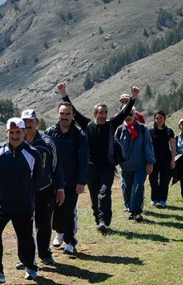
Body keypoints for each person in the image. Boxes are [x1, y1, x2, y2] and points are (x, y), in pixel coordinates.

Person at [58, 83, 138, 233]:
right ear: (95, 114)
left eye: (105, 112)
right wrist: (63, 93)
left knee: (104, 192)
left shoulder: (111, 125)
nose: (103, 115)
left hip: (107, 166)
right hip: (90, 167)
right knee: (94, 197)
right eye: (100, 112)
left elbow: (123, 114)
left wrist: (133, 98)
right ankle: (98, 220)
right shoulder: (87, 125)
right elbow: (73, 111)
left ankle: (104, 221)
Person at [0, 118, 42, 283]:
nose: (14, 136)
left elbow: (37, 180)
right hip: (0, 203)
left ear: (24, 133)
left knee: (25, 236)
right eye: (11, 132)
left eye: (18, 132)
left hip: (23, 204)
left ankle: (30, 266)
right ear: (6, 133)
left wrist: (27, 196)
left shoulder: (33, 154)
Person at [45, 99, 88, 255]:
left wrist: (81, 181)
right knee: (54, 211)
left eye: (67, 114)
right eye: (62, 114)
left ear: (73, 115)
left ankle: (70, 242)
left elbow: (83, 160)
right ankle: (59, 233)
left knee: (68, 211)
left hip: (71, 181)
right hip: (52, 181)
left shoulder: (79, 135)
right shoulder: (50, 132)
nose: (64, 117)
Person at [21, 109, 61, 269]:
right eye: (25, 121)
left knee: (44, 224)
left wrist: (60, 188)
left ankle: (45, 254)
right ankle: (25, 257)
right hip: (23, 191)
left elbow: (56, 166)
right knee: (23, 224)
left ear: (37, 123)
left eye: (31, 121)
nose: (28, 124)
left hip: (45, 189)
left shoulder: (47, 142)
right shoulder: (16, 141)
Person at [114, 106, 155, 221]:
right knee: (127, 188)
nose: (128, 117)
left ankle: (137, 212)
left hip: (140, 166)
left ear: (135, 115)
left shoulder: (143, 129)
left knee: (138, 187)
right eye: (125, 115)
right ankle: (130, 209)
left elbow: (148, 146)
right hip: (125, 167)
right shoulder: (119, 130)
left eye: (130, 114)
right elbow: (114, 148)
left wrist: (150, 162)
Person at [148, 109, 176, 208]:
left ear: (165, 119)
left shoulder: (169, 131)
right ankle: (154, 198)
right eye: (157, 118)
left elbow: (173, 146)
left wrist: (173, 160)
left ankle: (163, 200)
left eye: (161, 118)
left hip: (166, 158)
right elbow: (148, 146)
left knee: (165, 179)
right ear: (154, 119)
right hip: (153, 158)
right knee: (153, 178)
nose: (159, 120)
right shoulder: (150, 131)